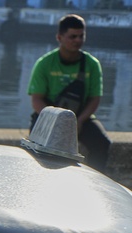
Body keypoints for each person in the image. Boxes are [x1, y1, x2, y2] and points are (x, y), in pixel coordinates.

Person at [27, 14, 110, 173]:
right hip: (47, 115)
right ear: (59, 37)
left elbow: (94, 99)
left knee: (102, 143)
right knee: (35, 148)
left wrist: (78, 121)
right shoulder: (44, 63)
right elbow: (36, 99)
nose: (78, 40)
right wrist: (55, 122)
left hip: (81, 117)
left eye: (81, 36)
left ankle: (94, 181)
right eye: (72, 36)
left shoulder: (92, 64)